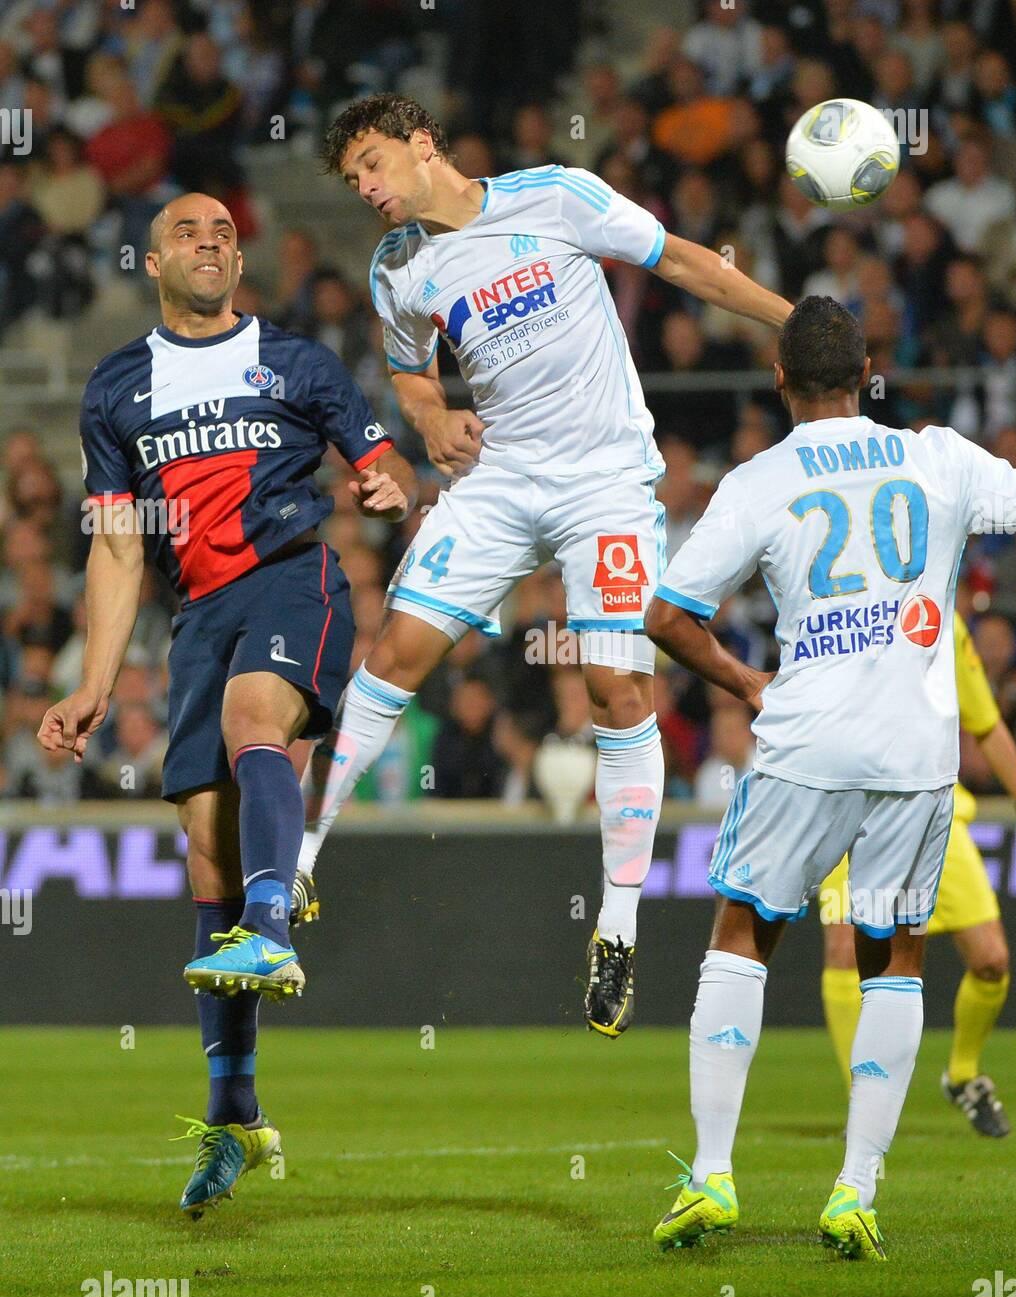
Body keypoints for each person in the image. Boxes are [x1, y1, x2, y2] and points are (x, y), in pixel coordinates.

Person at [292, 94, 793, 1038]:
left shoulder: (557, 196)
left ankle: (616, 925)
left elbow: (680, 261)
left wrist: (791, 320)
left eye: (370, 164)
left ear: (422, 146)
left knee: (615, 687)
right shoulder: (398, 266)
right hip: (498, 477)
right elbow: (407, 368)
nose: (364, 188)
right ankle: (305, 859)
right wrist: (432, 415)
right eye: (351, 178)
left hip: (603, 481)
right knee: (396, 652)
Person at [644, 296, 1016, 1259]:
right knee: (894, 958)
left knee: (742, 936)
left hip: (805, 745)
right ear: (869, 373)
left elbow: (668, 616)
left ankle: (712, 1177)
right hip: (914, 755)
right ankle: (853, 1193)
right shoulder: (938, 457)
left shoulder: (759, 479)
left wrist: (746, 683)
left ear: (778, 380)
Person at [37, 193, 417, 1219]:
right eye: (188, 233)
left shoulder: (297, 363)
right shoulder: (119, 389)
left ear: (239, 259)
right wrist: (94, 681)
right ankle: (235, 1114)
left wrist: (389, 486)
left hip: (294, 577)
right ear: (152, 258)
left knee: (261, 722)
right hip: (198, 616)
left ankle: (272, 917)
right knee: (206, 852)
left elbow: (383, 463)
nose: (209, 242)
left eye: (223, 234)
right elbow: (117, 547)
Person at [819, 610, 1016, 1139]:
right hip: (852, 806)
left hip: (935, 812)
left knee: (992, 961)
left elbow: (987, 724)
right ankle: (861, 1094)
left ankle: (963, 1074)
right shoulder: (843, 605)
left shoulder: (944, 623)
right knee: (842, 949)